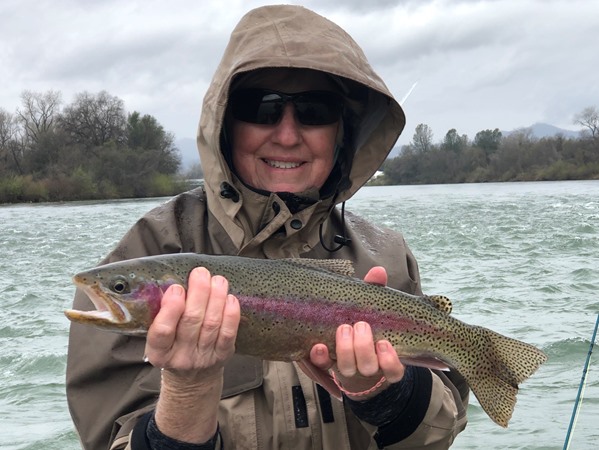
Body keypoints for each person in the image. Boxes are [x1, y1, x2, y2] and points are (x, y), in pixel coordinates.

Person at [66, 5, 469, 450]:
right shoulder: (148, 247)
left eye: (315, 110)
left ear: (343, 132)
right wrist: (188, 390)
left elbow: (438, 436)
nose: (288, 134)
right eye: (261, 108)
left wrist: (385, 395)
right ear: (225, 124)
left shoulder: (385, 256)